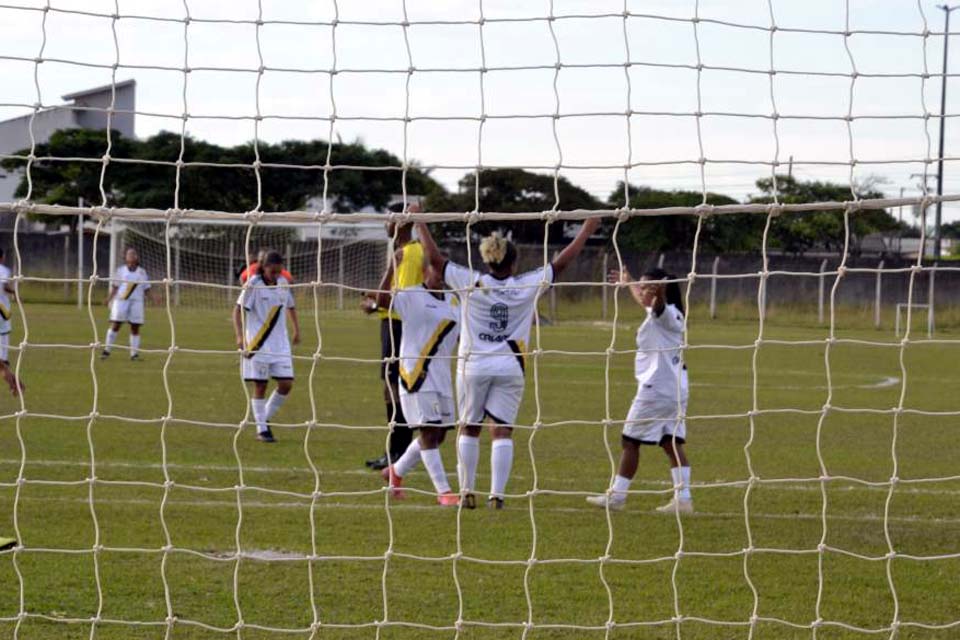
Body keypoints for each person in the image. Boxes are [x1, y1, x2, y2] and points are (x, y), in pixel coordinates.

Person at [417, 216, 600, 509]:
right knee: (502, 430)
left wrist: (419, 222)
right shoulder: (526, 285)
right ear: (513, 263)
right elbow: (560, 265)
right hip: (510, 368)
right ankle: (497, 496)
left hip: (473, 366)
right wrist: (587, 230)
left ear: (488, 260)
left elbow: (436, 261)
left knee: (469, 428)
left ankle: (467, 492)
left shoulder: (471, 282)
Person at [587, 268, 693, 514]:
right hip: (676, 389)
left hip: (656, 390)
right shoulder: (673, 314)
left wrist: (658, 294)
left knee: (630, 440)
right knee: (671, 443)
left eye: (648, 287)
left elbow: (657, 307)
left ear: (660, 290)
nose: (643, 291)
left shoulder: (665, 314)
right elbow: (647, 302)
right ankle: (684, 499)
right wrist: (630, 283)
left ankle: (618, 496)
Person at [371, 253, 461, 506]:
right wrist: (391, 267)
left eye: (443, 271)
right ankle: (444, 492)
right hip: (417, 376)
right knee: (429, 432)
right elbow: (380, 300)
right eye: (435, 270)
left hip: (442, 377)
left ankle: (395, 472)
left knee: (440, 435)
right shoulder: (411, 295)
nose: (440, 276)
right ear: (425, 272)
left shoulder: (455, 300)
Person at [360, 206, 424, 471]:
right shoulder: (402, 252)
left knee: (396, 388)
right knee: (390, 387)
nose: (386, 222)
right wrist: (375, 303)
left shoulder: (409, 254)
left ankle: (399, 450)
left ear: (402, 223)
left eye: (390, 217)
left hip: (400, 328)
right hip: (392, 325)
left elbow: (399, 298)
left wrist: (373, 301)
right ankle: (394, 449)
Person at [233, 250, 301, 443]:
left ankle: (263, 418)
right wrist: (239, 336)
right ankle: (262, 430)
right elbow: (237, 311)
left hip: (281, 344)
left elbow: (290, 306)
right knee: (260, 385)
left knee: (286, 384)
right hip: (258, 343)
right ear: (264, 268)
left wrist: (296, 329)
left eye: (279, 272)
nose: (277, 275)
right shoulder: (253, 285)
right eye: (273, 271)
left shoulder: (283, 283)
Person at [102, 248, 154, 361]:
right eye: (129, 254)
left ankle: (134, 354)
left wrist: (153, 298)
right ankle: (106, 350)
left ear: (137, 257)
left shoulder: (142, 272)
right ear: (125, 257)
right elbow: (115, 286)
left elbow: (147, 288)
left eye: (133, 254)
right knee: (116, 325)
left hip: (137, 302)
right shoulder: (121, 271)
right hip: (122, 301)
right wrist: (109, 298)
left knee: (135, 327)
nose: (131, 256)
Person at [0, 249, 23, 396]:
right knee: (2, 361)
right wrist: (14, 292)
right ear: (2, 257)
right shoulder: (4, 270)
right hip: (3, 316)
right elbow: (4, 286)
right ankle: (15, 383)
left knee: (1, 363)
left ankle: (14, 383)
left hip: (2, 316)